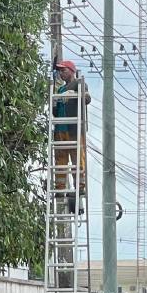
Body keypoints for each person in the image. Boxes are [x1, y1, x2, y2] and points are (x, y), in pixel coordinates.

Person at [52, 60, 90, 196]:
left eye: (64, 70)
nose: (61, 73)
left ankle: (79, 187)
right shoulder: (60, 90)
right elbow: (55, 112)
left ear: (72, 71)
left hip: (74, 128)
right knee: (60, 159)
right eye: (60, 71)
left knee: (77, 158)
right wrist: (55, 103)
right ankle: (60, 188)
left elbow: (86, 98)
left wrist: (76, 94)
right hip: (60, 129)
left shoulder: (78, 84)